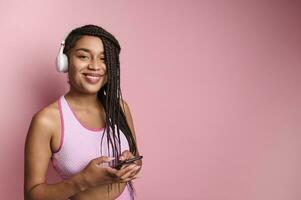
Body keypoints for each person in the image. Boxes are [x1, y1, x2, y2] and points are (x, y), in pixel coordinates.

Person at [24, 24, 142, 200]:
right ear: (65, 61)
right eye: (83, 56)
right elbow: (31, 195)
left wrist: (131, 163)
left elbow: (136, 158)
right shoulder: (47, 121)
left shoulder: (120, 108)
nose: (95, 66)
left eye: (104, 59)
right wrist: (83, 180)